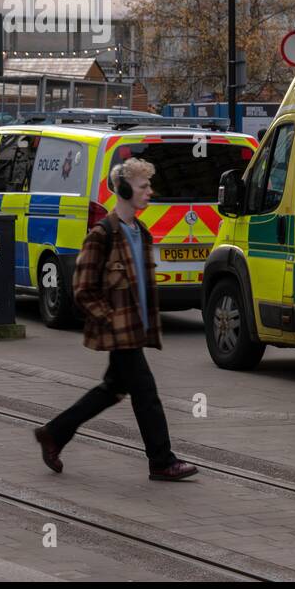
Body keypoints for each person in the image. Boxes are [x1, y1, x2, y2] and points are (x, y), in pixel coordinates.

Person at [34, 157, 197, 482]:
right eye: (143, 186)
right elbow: (82, 289)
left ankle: (54, 433)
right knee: (146, 394)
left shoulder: (141, 233)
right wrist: (110, 320)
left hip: (135, 330)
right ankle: (162, 461)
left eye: (149, 185)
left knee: (111, 390)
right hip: (121, 333)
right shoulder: (102, 234)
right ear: (123, 189)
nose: (150, 191)